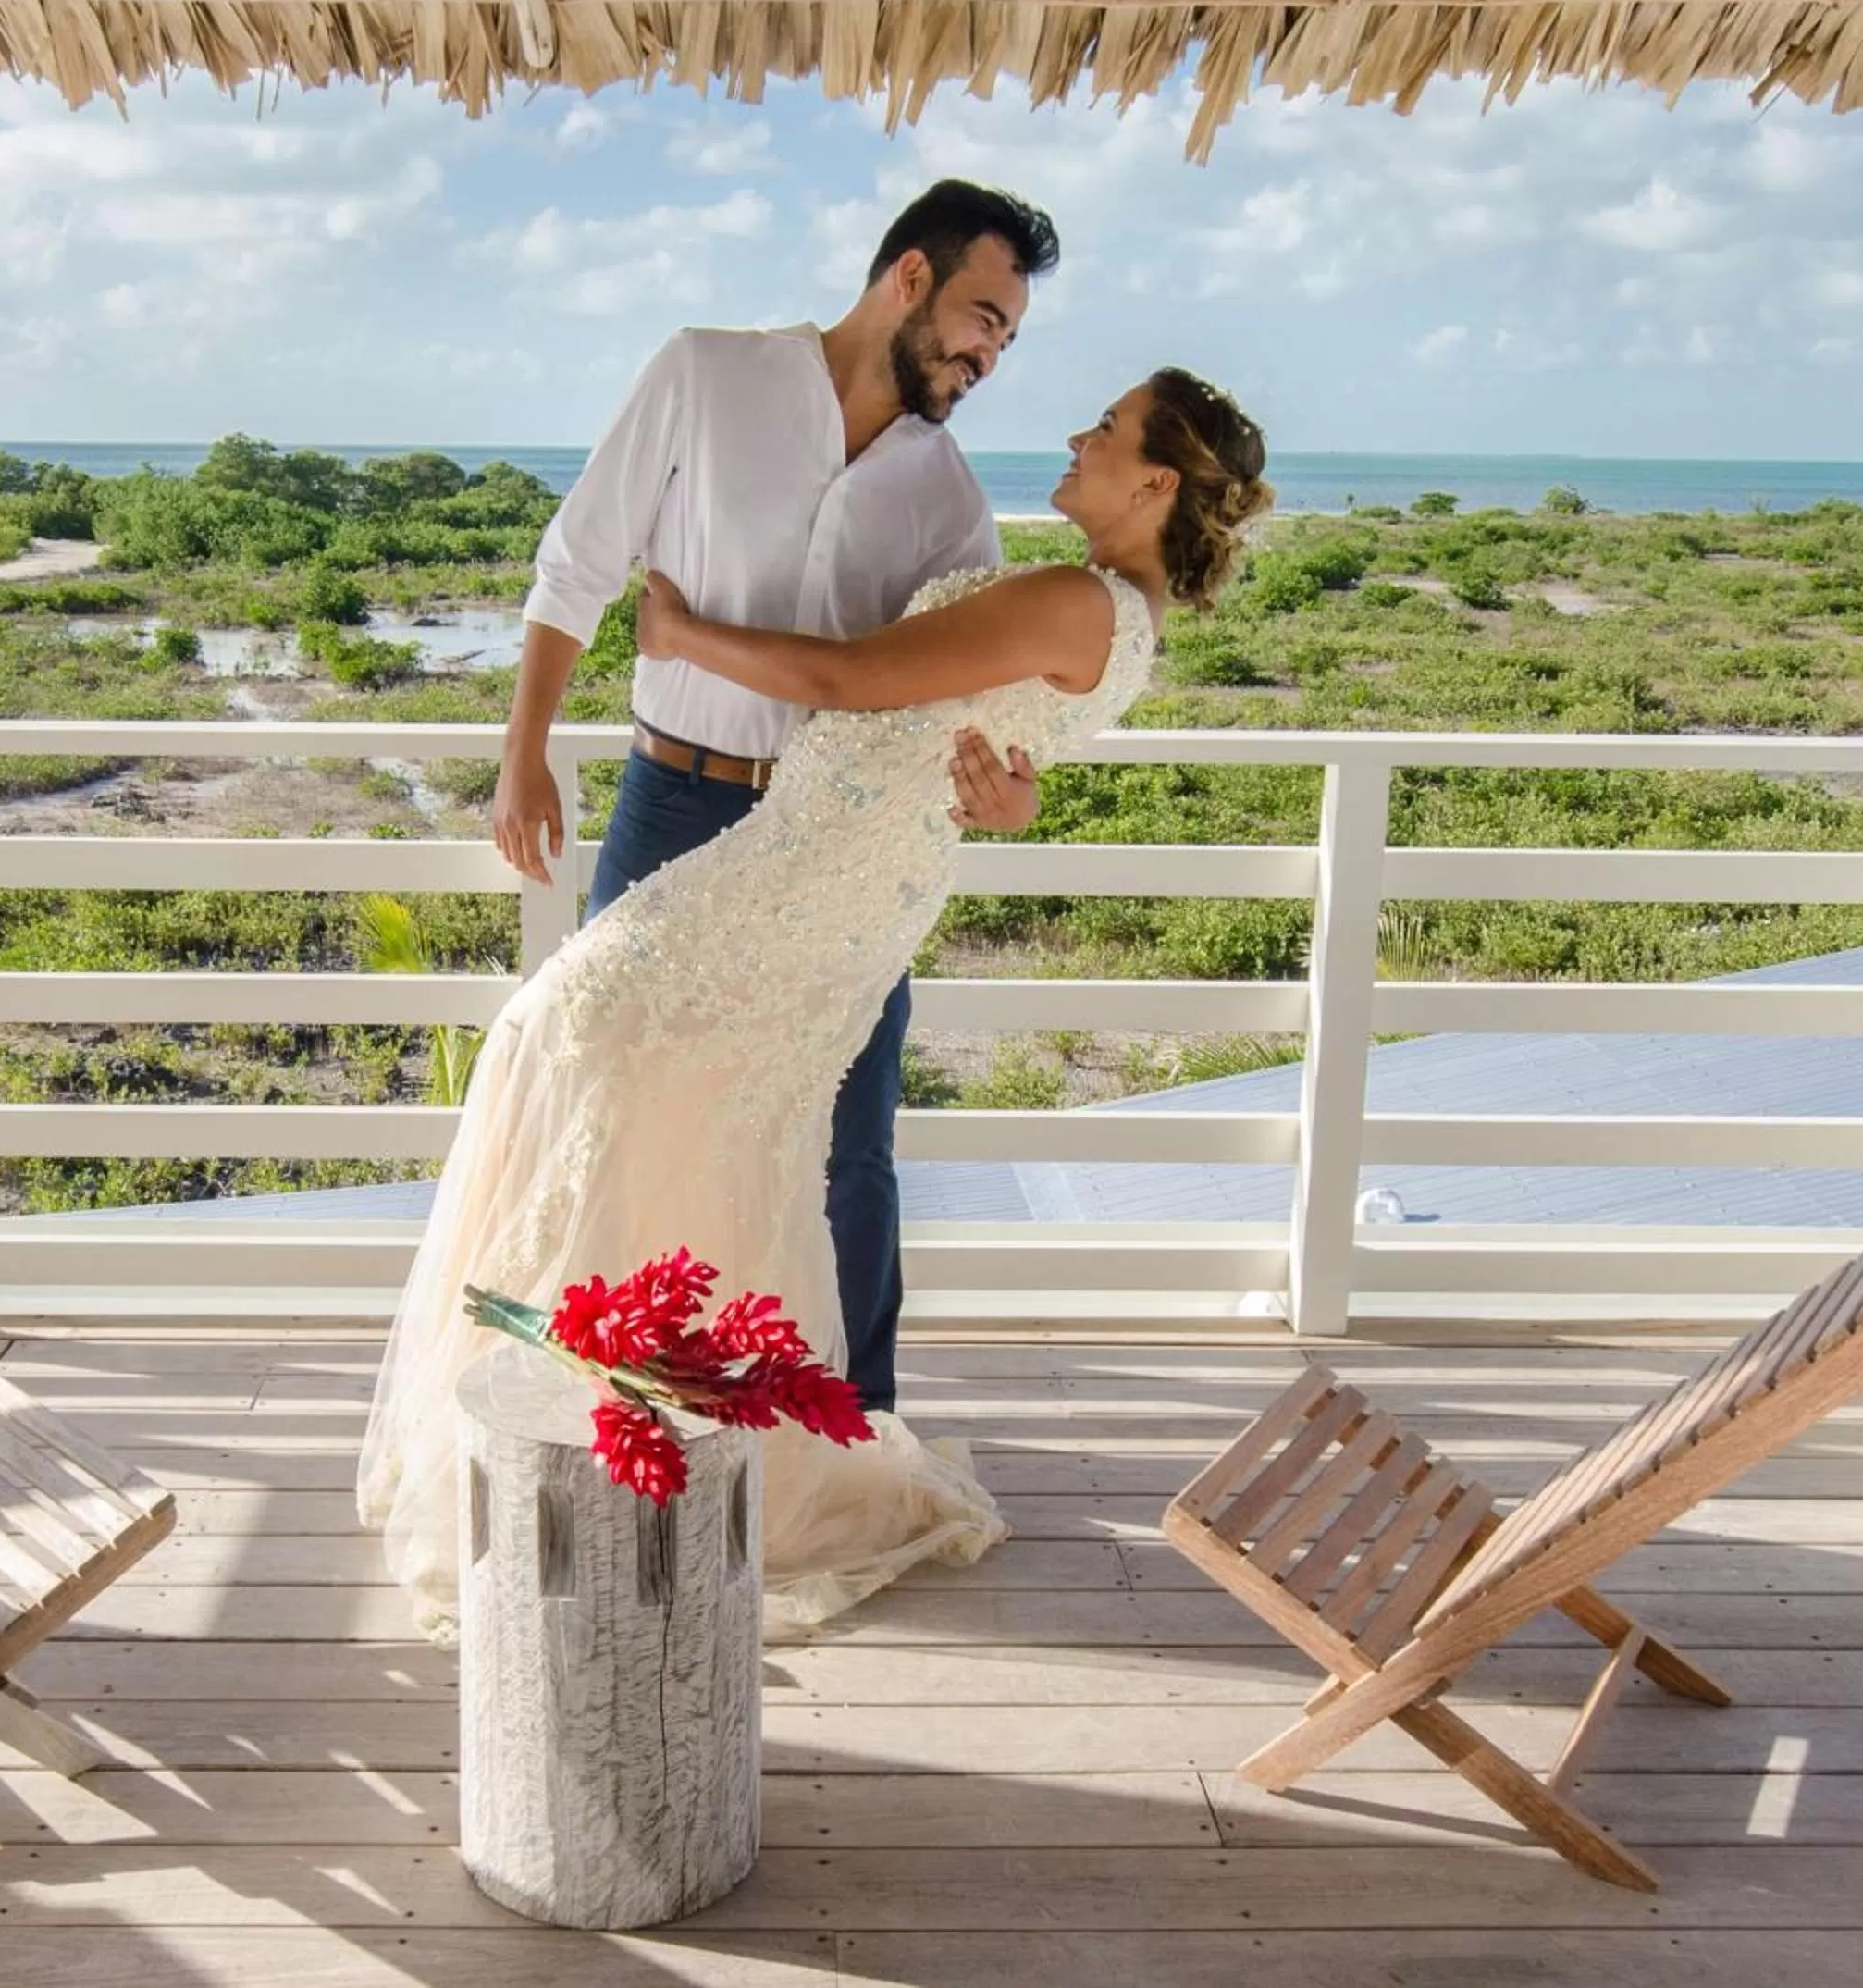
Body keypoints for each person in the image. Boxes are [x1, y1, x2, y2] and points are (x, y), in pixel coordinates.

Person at [359, 370, 1275, 1639]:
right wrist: (1015, 794)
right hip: (821, 867)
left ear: (1158, 484)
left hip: (816, 886)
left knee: (571, 1030)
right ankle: (618, 1423)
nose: (1075, 436)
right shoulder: (1108, 610)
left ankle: (647, 1431)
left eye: (1106, 431)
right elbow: (995, 735)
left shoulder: (1081, 596)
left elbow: (850, 679)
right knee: (643, 1084)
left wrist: (678, 636)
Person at [492, 179, 1061, 1417]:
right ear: (907, 278)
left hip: (839, 848)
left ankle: (859, 1426)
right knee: (619, 1101)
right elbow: (579, 560)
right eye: (980, 315)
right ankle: (610, 1403)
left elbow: (968, 699)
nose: (988, 353)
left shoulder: (953, 500)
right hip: (670, 807)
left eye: (1008, 337)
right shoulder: (705, 374)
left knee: (851, 1142)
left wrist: (1003, 791)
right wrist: (525, 744)